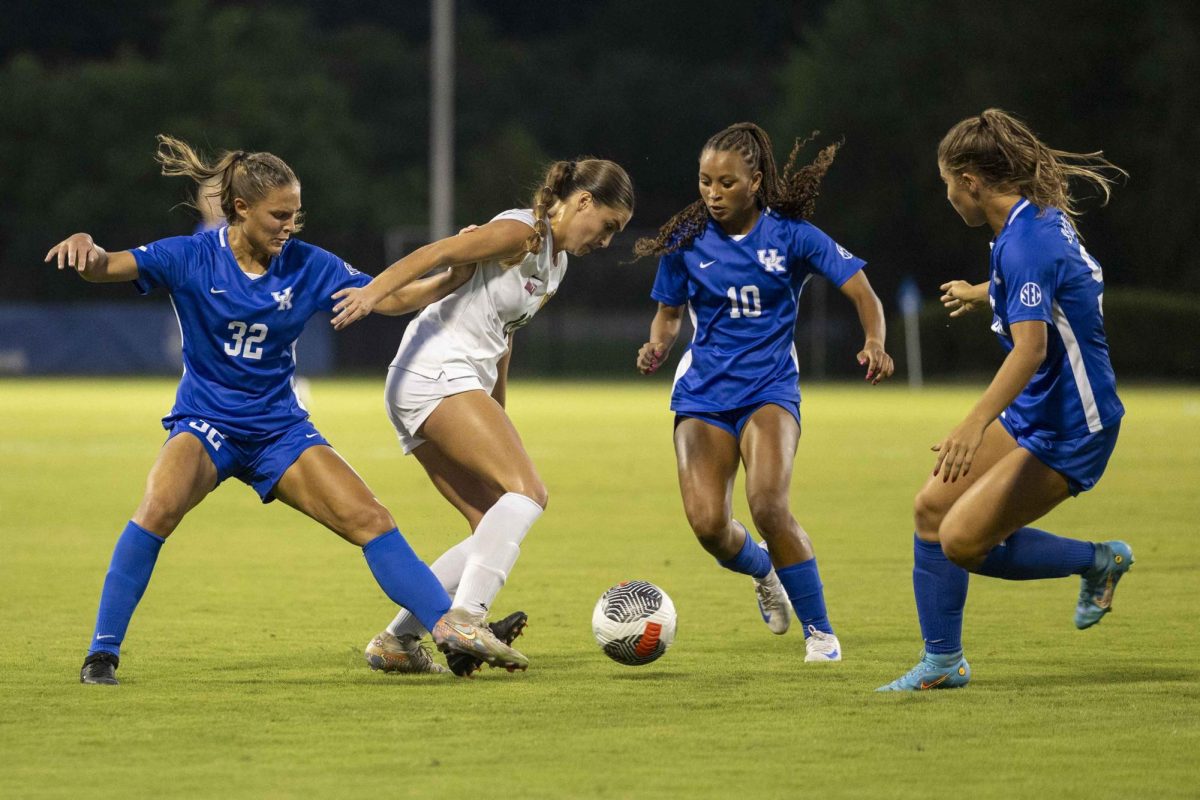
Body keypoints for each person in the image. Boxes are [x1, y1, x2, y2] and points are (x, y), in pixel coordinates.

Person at [49, 135, 527, 685]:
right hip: (207, 424)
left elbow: (387, 298)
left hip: (279, 430)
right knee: (157, 509)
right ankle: (101, 654)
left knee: (369, 519)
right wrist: (86, 247)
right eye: (279, 215)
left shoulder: (308, 264)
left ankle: (449, 633)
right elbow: (106, 267)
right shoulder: (188, 256)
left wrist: (451, 277)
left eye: (296, 215)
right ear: (241, 209)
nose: (288, 226)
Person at [329, 157, 635, 676]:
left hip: (437, 380)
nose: (606, 241)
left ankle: (397, 640)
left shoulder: (554, 264)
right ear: (583, 201)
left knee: (489, 521)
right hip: (438, 371)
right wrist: (371, 293)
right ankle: (467, 618)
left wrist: (498, 411)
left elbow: (503, 336)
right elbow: (437, 251)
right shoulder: (520, 232)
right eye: (608, 226)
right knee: (530, 493)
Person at [878, 109, 1132, 691]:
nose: (947, 197)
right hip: (1036, 410)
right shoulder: (1028, 223)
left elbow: (1031, 350)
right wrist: (983, 290)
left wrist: (972, 424)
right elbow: (1051, 281)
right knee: (931, 511)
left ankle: (1098, 560)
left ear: (970, 180)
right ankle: (943, 661)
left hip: (1075, 424)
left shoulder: (1025, 242)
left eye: (947, 184)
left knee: (963, 541)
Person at [632, 122, 894, 663]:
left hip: (769, 389)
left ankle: (820, 634)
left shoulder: (792, 235)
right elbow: (668, 314)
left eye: (726, 183)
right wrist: (657, 345)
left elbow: (862, 290)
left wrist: (874, 341)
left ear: (756, 181)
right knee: (708, 525)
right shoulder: (684, 239)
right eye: (705, 181)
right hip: (702, 395)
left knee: (768, 505)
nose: (712, 193)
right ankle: (763, 571)